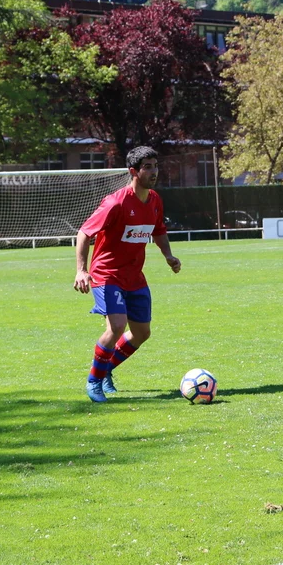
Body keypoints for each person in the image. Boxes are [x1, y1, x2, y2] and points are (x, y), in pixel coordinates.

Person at [74, 146, 181, 403]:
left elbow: (158, 230)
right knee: (117, 326)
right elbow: (84, 233)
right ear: (133, 171)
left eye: (155, 166)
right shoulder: (116, 203)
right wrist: (81, 270)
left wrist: (168, 255)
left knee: (142, 333)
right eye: (147, 167)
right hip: (107, 274)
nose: (154, 172)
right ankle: (94, 381)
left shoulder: (154, 200)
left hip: (134, 277)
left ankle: (105, 369)